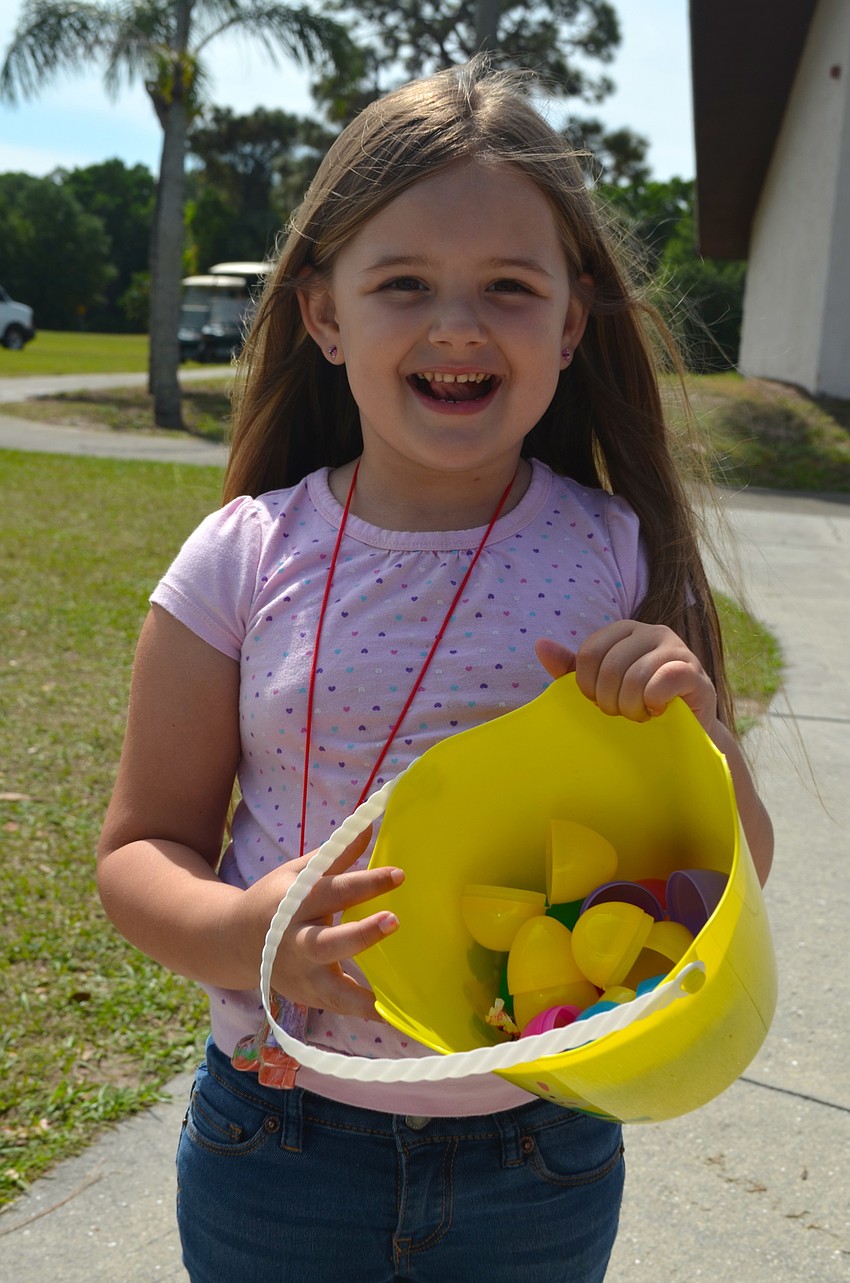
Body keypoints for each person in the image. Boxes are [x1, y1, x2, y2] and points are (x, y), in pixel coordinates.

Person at [97, 57, 773, 1283]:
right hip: (277, 1139)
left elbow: (736, 871)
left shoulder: (614, 555)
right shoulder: (244, 559)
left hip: (541, 1149)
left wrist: (697, 724)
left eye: (508, 288)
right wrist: (243, 928)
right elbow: (140, 848)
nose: (457, 324)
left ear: (569, 325)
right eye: (402, 281)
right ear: (324, 315)